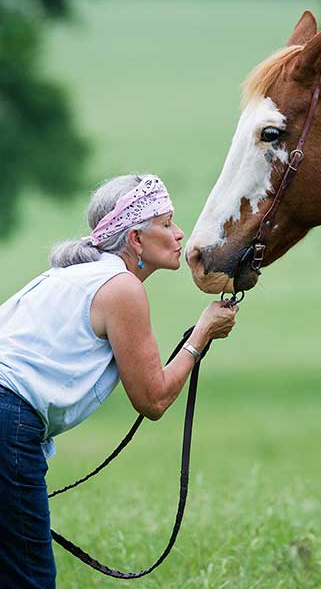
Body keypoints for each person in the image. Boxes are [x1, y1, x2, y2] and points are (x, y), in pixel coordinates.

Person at [0, 173, 238, 588]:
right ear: (135, 240)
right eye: (165, 224)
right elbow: (153, 399)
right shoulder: (121, 287)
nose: (179, 233)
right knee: (29, 579)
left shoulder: (66, 278)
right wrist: (202, 334)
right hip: (8, 421)